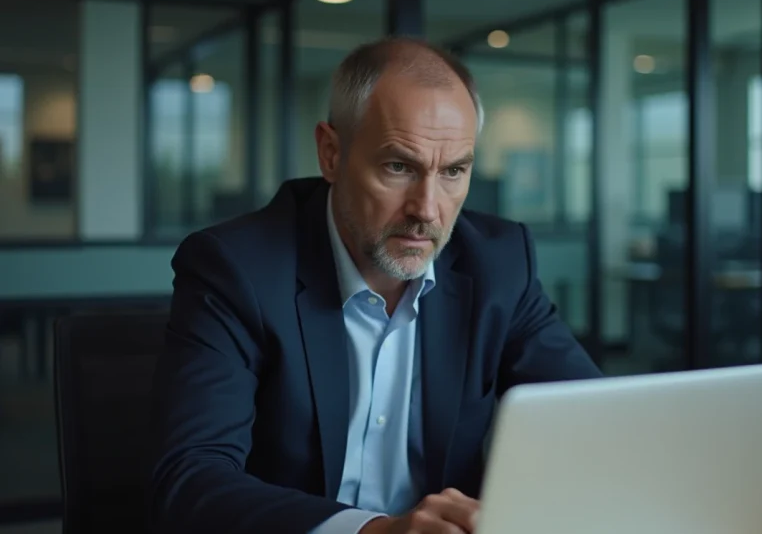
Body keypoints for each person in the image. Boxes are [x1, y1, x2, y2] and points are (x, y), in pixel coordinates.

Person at [148, 37, 602, 534]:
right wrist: (377, 531)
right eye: (399, 166)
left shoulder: (499, 264)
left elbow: (596, 420)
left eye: (453, 171)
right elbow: (191, 480)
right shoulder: (236, 269)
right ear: (331, 154)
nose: (427, 210)